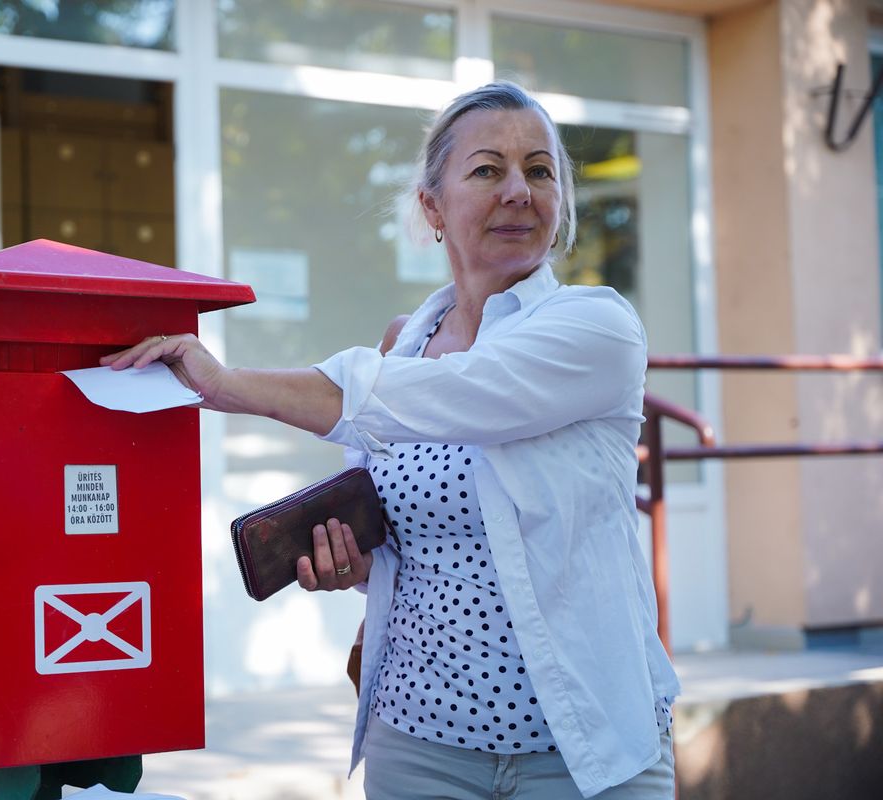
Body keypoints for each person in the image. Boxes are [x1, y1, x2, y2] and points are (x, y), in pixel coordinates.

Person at [101, 81, 679, 799]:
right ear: (432, 207)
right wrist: (358, 565)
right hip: (420, 742)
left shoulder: (596, 328)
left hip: (581, 750)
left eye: (539, 170)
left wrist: (226, 385)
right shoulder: (402, 346)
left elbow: (454, 397)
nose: (518, 191)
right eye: (487, 169)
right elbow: (420, 542)